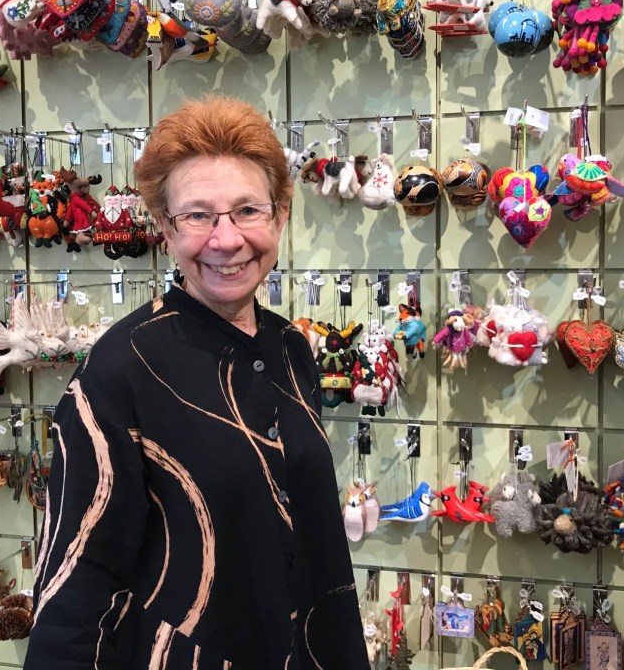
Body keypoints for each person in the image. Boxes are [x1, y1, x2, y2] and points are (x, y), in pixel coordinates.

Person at [25, 96, 368, 670]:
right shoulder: (121, 368)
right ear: (165, 228)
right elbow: (76, 579)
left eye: (247, 210)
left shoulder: (292, 348)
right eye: (198, 216)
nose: (226, 239)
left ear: (280, 215)